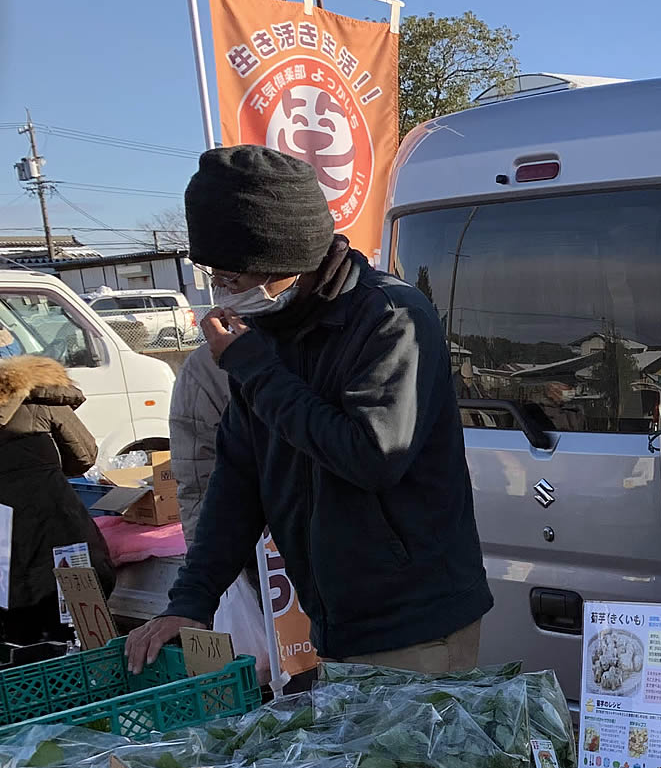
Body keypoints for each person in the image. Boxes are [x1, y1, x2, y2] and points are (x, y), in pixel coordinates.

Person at [125, 146, 491, 675]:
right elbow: (238, 479)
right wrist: (192, 600)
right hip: (333, 619)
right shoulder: (271, 336)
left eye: (233, 278)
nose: (224, 292)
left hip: (417, 621)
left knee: (418, 759)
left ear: (283, 259)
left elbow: (371, 455)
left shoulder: (391, 319)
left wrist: (255, 370)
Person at [168, 342, 276, 683]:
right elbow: (205, 481)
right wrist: (203, 583)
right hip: (265, 559)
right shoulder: (208, 366)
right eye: (224, 283)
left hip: (316, 564)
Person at [0, 355, 113, 647]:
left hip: (4, 537)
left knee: (17, 635)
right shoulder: (44, 403)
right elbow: (85, 456)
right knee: (81, 625)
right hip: (58, 523)